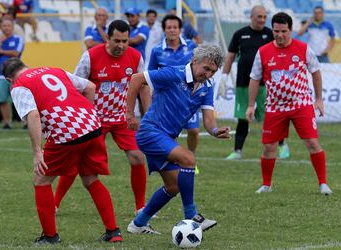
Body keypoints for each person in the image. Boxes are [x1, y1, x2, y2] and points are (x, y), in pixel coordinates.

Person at [2, 57, 123, 244]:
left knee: (41, 180)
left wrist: (37, 152)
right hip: (92, 125)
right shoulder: (54, 69)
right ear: (26, 65)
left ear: (9, 79)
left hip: (66, 133)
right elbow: (90, 87)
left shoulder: (19, 85)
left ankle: (50, 236)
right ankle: (113, 232)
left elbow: (33, 115)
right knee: (90, 179)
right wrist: (83, 116)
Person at [126, 44, 230, 234]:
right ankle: (192, 214)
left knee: (173, 187)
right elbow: (136, 79)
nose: (208, 74)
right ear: (195, 61)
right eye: (206, 68)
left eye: (213, 71)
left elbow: (208, 119)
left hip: (166, 137)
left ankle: (138, 224)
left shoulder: (207, 87)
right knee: (188, 158)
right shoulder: (173, 74)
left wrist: (215, 131)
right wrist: (130, 115)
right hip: (150, 132)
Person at [54, 20, 150, 216]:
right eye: (117, 41)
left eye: (125, 41)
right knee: (76, 162)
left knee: (138, 157)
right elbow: (74, 86)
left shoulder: (136, 56)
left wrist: (146, 115)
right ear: (107, 37)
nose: (121, 46)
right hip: (93, 120)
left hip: (122, 118)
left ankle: (140, 207)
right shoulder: (90, 56)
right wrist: (76, 116)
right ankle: (54, 203)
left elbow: (143, 85)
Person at [245, 12, 332, 195]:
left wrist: (318, 99)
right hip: (275, 106)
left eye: (283, 31)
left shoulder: (303, 48)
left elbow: (316, 72)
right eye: (276, 31)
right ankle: (266, 185)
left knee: (312, 143)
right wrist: (251, 105)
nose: (279, 35)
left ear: (291, 30)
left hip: (301, 104)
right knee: (269, 147)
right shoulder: (263, 52)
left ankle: (323, 184)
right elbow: (254, 79)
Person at [220, 5, 290, 160]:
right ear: (251, 16)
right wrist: (224, 78)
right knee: (243, 117)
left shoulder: (270, 34)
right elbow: (230, 57)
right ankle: (237, 151)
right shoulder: (240, 34)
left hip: (267, 83)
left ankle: (281, 145)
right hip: (243, 83)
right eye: (260, 16)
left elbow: (282, 53)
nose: (263, 20)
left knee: (272, 117)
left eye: (265, 17)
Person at [148, 14, 200, 173]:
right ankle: (175, 162)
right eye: (168, 27)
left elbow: (199, 67)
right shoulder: (157, 50)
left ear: (180, 29)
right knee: (170, 135)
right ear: (164, 30)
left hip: (188, 98)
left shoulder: (191, 46)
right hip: (167, 100)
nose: (172, 30)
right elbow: (150, 74)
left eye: (175, 27)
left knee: (194, 131)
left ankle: (191, 158)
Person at [0, 18, 24, 129]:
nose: (6, 28)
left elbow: (16, 53)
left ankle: (26, 122)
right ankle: (7, 122)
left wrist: (2, 51)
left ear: (12, 27)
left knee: (20, 99)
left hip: (15, 74)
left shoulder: (18, 39)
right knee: (2, 100)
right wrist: (0, 42)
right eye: (4, 26)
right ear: (1, 27)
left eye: (8, 25)